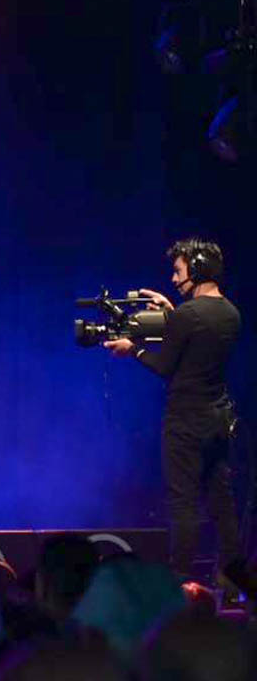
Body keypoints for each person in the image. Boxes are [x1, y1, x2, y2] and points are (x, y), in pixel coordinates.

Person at [102, 238, 242, 581]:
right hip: (218, 419)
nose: (174, 278)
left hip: (185, 423)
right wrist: (171, 310)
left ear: (197, 268)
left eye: (178, 271)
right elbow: (195, 336)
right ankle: (233, 579)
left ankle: (179, 582)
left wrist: (133, 349)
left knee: (183, 504)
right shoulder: (231, 313)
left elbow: (165, 366)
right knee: (222, 502)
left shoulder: (187, 315)